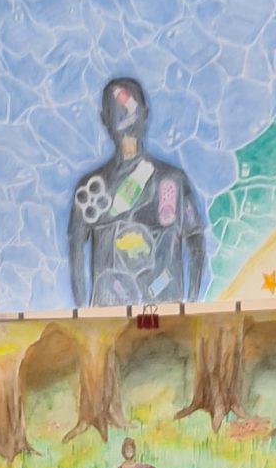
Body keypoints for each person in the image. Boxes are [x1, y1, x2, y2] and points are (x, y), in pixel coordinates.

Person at [66, 78, 208, 307]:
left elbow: (196, 240)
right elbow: (75, 251)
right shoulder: (90, 192)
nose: (127, 121)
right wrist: (82, 314)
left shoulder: (172, 181)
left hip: (165, 313)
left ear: (145, 114)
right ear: (105, 119)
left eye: (132, 111)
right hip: (109, 315)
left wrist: (192, 303)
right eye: (118, 114)